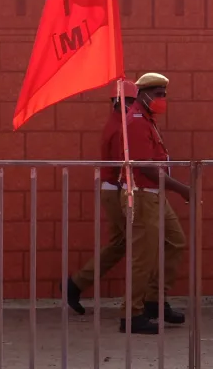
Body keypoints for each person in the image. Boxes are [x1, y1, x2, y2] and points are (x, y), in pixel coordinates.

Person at [116, 72, 190, 334]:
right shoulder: (136, 120)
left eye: (164, 95)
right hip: (142, 194)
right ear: (144, 95)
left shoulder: (147, 119)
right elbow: (145, 167)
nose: (162, 99)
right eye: (158, 95)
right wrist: (182, 189)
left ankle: (153, 300)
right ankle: (132, 315)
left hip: (154, 194)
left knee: (175, 241)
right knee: (143, 257)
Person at [65, 79, 138, 315]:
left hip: (113, 188)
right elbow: (122, 165)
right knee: (140, 242)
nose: (134, 106)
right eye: (131, 101)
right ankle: (146, 301)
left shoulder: (118, 124)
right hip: (116, 189)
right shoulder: (120, 128)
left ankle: (75, 284)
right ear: (120, 102)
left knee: (121, 244)